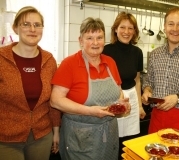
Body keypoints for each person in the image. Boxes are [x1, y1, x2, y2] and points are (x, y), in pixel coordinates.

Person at [50, 17, 130, 160]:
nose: (95, 43)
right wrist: (90, 111)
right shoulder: (69, 64)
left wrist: (122, 104)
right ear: (80, 41)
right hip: (80, 137)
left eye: (99, 37)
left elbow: (119, 92)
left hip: (109, 135)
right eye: (89, 38)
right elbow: (55, 101)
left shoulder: (110, 62)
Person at [0, 6, 61, 160]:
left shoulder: (49, 60)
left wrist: (56, 131)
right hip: (6, 139)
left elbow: (53, 101)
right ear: (15, 28)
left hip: (41, 136)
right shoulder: (2, 58)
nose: (32, 29)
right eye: (26, 24)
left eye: (37, 25)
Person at [103, 11, 146, 159]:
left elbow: (138, 80)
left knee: (129, 142)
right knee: (112, 140)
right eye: (122, 27)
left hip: (132, 98)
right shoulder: (106, 51)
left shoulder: (137, 52)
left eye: (130, 28)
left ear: (134, 31)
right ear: (115, 29)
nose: (126, 32)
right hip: (112, 98)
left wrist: (140, 105)